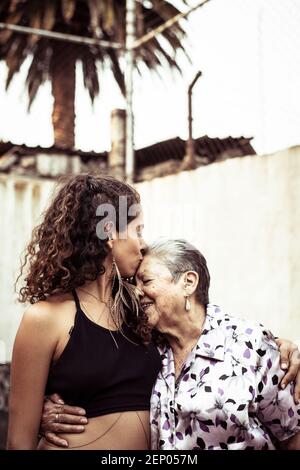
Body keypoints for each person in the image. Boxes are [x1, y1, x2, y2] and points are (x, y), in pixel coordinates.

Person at [40, 239, 300, 450]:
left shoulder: (251, 343)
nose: (137, 291)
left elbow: (292, 435)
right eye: (135, 283)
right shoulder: (140, 345)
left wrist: (281, 349)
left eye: (147, 281)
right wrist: (45, 407)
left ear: (188, 282)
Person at [7, 174, 161, 450]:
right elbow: (19, 441)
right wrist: (40, 412)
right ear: (110, 233)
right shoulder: (46, 318)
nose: (144, 244)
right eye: (137, 231)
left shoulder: (140, 310)